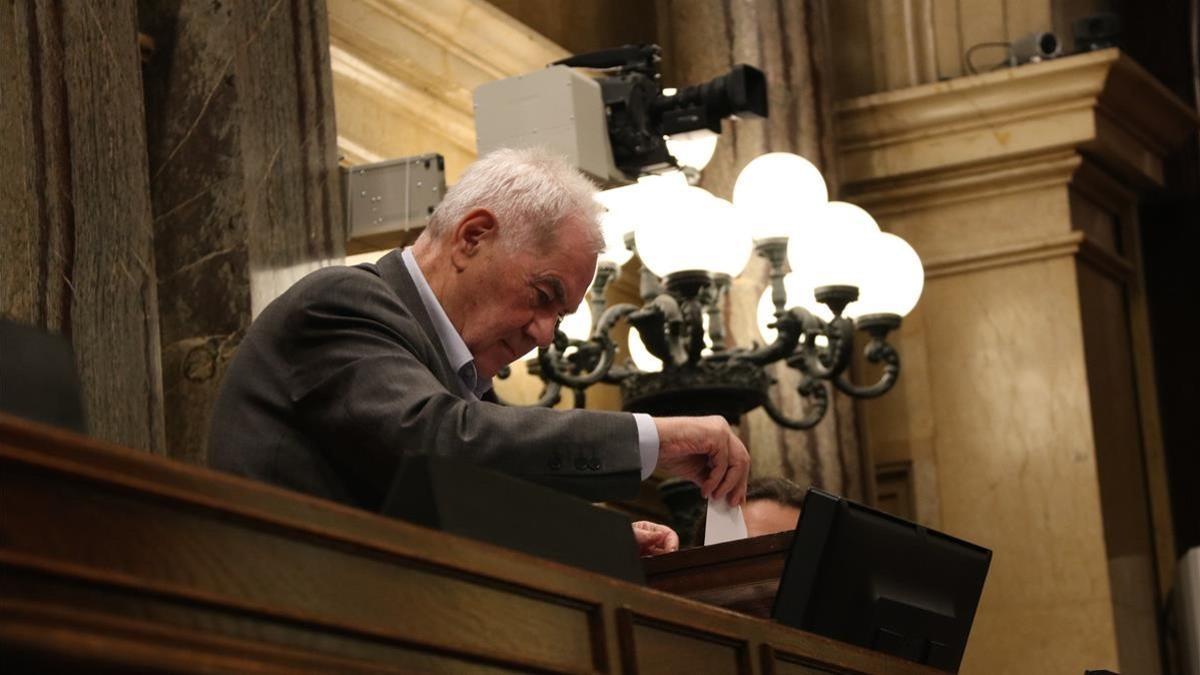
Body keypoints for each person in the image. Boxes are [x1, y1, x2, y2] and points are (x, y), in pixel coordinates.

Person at [208, 147, 750, 556]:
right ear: (472, 237)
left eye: (560, 319)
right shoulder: (344, 302)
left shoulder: (463, 385)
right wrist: (655, 436)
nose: (544, 336)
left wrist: (598, 542)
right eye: (543, 296)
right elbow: (437, 444)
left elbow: (465, 505)